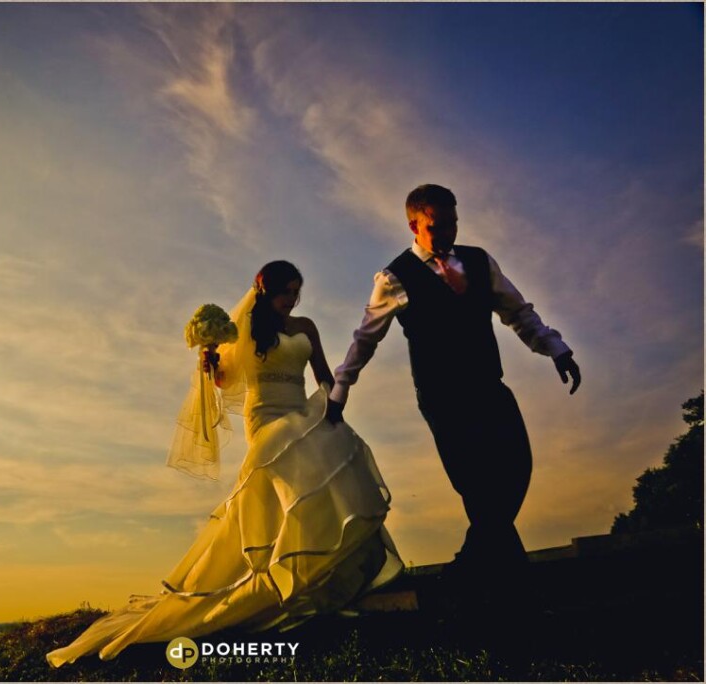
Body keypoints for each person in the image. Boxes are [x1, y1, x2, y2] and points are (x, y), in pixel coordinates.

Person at [46, 261, 402, 667]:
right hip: (266, 420)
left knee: (331, 463)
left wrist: (332, 408)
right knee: (292, 479)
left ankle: (321, 578)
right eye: (285, 292)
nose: (291, 300)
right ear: (265, 292)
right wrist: (211, 363)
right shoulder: (244, 331)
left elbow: (323, 376)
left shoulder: (306, 327)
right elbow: (225, 381)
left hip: (303, 411)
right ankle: (264, 584)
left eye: (296, 292)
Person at [325, 184, 581, 590]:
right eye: (438, 226)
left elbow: (517, 311)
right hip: (442, 396)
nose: (448, 233)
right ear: (415, 224)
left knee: (517, 467)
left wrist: (557, 349)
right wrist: (341, 388)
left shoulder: (478, 261)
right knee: (477, 486)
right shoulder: (394, 278)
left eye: (453, 223)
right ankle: (505, 587)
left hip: (487, 383)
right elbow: (365, 338)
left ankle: (466, 568)